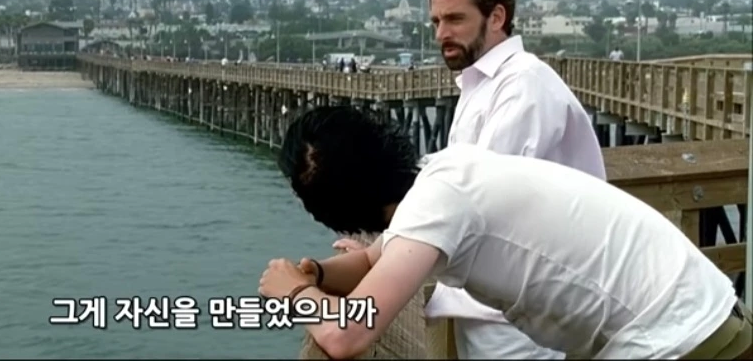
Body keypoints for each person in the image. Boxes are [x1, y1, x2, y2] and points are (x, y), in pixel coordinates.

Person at [260, 106, 751, 360]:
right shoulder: (445, 174)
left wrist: (296, 293)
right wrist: (318, 273)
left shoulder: (434, 206)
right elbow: (375, 260)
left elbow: (348, 336)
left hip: (677, 337)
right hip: (700, 315)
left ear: (332, 213)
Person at [332, 0, 606, 359]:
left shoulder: (524, 86)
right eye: (435, 21)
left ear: (496, 17)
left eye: (455, 19)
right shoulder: (483, 84)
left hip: (526, 313)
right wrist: (386, 247)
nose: (441, 33)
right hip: (495, 301)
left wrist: (386, 253)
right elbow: (450, 184)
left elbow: (470, 200)